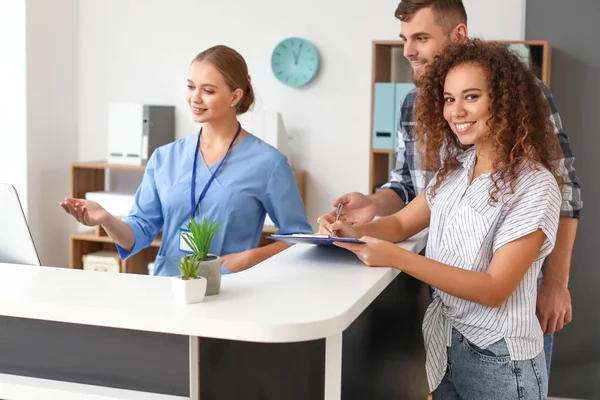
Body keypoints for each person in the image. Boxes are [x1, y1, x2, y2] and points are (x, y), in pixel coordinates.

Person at [326, 0, 582, 377]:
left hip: (509, 305)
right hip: (446, 300)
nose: (409, 50)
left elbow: (565, 192)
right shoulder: (421, 116)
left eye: (421, 37)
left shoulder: (523, 98)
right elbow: (406, 188)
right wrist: (365, 212)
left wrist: (557, 283)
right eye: (404, 39)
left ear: (457, 34)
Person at [61, 45, 312, 276]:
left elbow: (298, 239)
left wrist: (249, 258)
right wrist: (106, 219)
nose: (195, 98)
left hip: (229, 291)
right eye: (191, 87)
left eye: (208, 90)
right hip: (168, 290)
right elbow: (137, 233)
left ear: (235, 96)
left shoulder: (268, 163)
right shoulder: (165, 158)